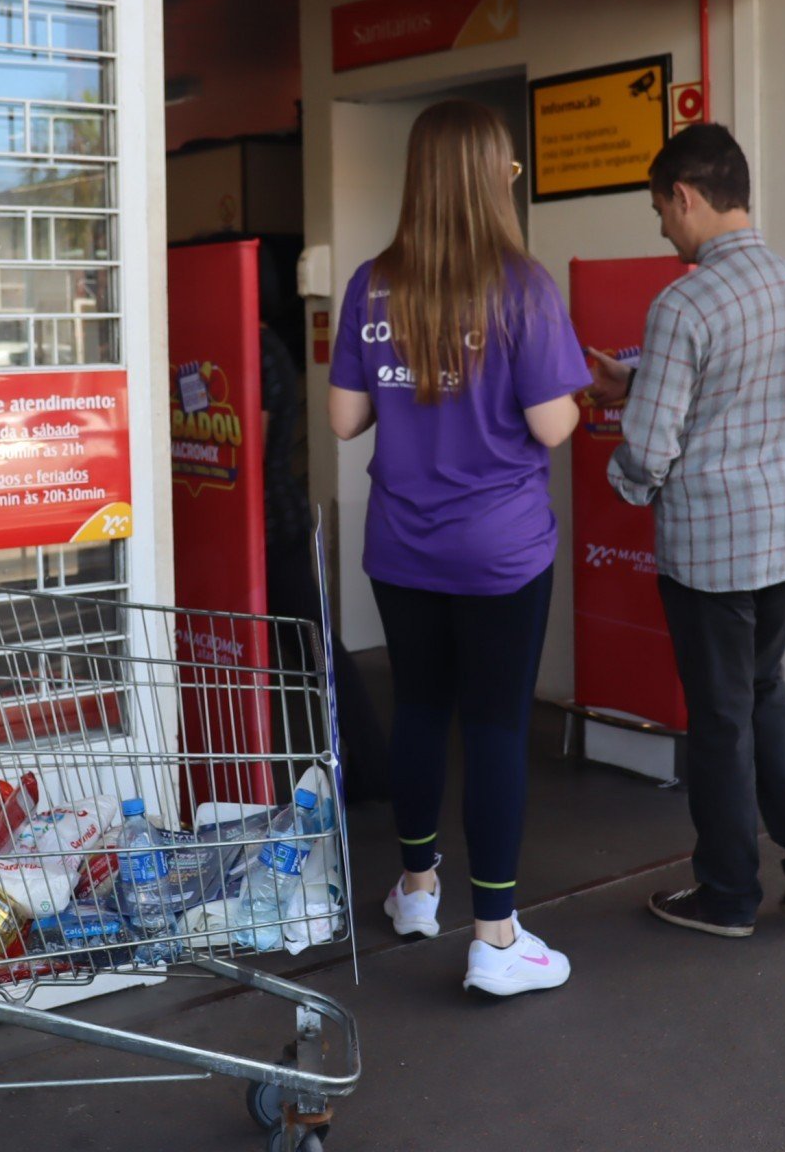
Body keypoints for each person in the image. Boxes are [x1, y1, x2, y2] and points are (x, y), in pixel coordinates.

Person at [328, 99, 587, 997]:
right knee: (494, 726)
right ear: (492, 178)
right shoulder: (522, 284)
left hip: (402, 544)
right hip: (500, 552)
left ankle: (414, 887)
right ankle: (498, 936)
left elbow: (345, 416)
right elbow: (554, 425)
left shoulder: (371, 282)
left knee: (418, 712)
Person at [588, 123, 785, 939]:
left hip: (712, 549)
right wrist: (637, 379)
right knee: (764, 692)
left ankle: (729, 895)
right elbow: (741, 392)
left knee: (719, 720)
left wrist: (619, 476)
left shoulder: (685, 299)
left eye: (663, 209)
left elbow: (652, 449)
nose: (663, 228)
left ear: (686, 195)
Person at [258, 317, 391, 804]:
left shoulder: (260, 348)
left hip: (273, 529)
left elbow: (247, 448)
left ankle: (376, 768)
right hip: (261, 528)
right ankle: (375, 767)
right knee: (311, 652)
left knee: (318, 652)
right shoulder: (250, 346)